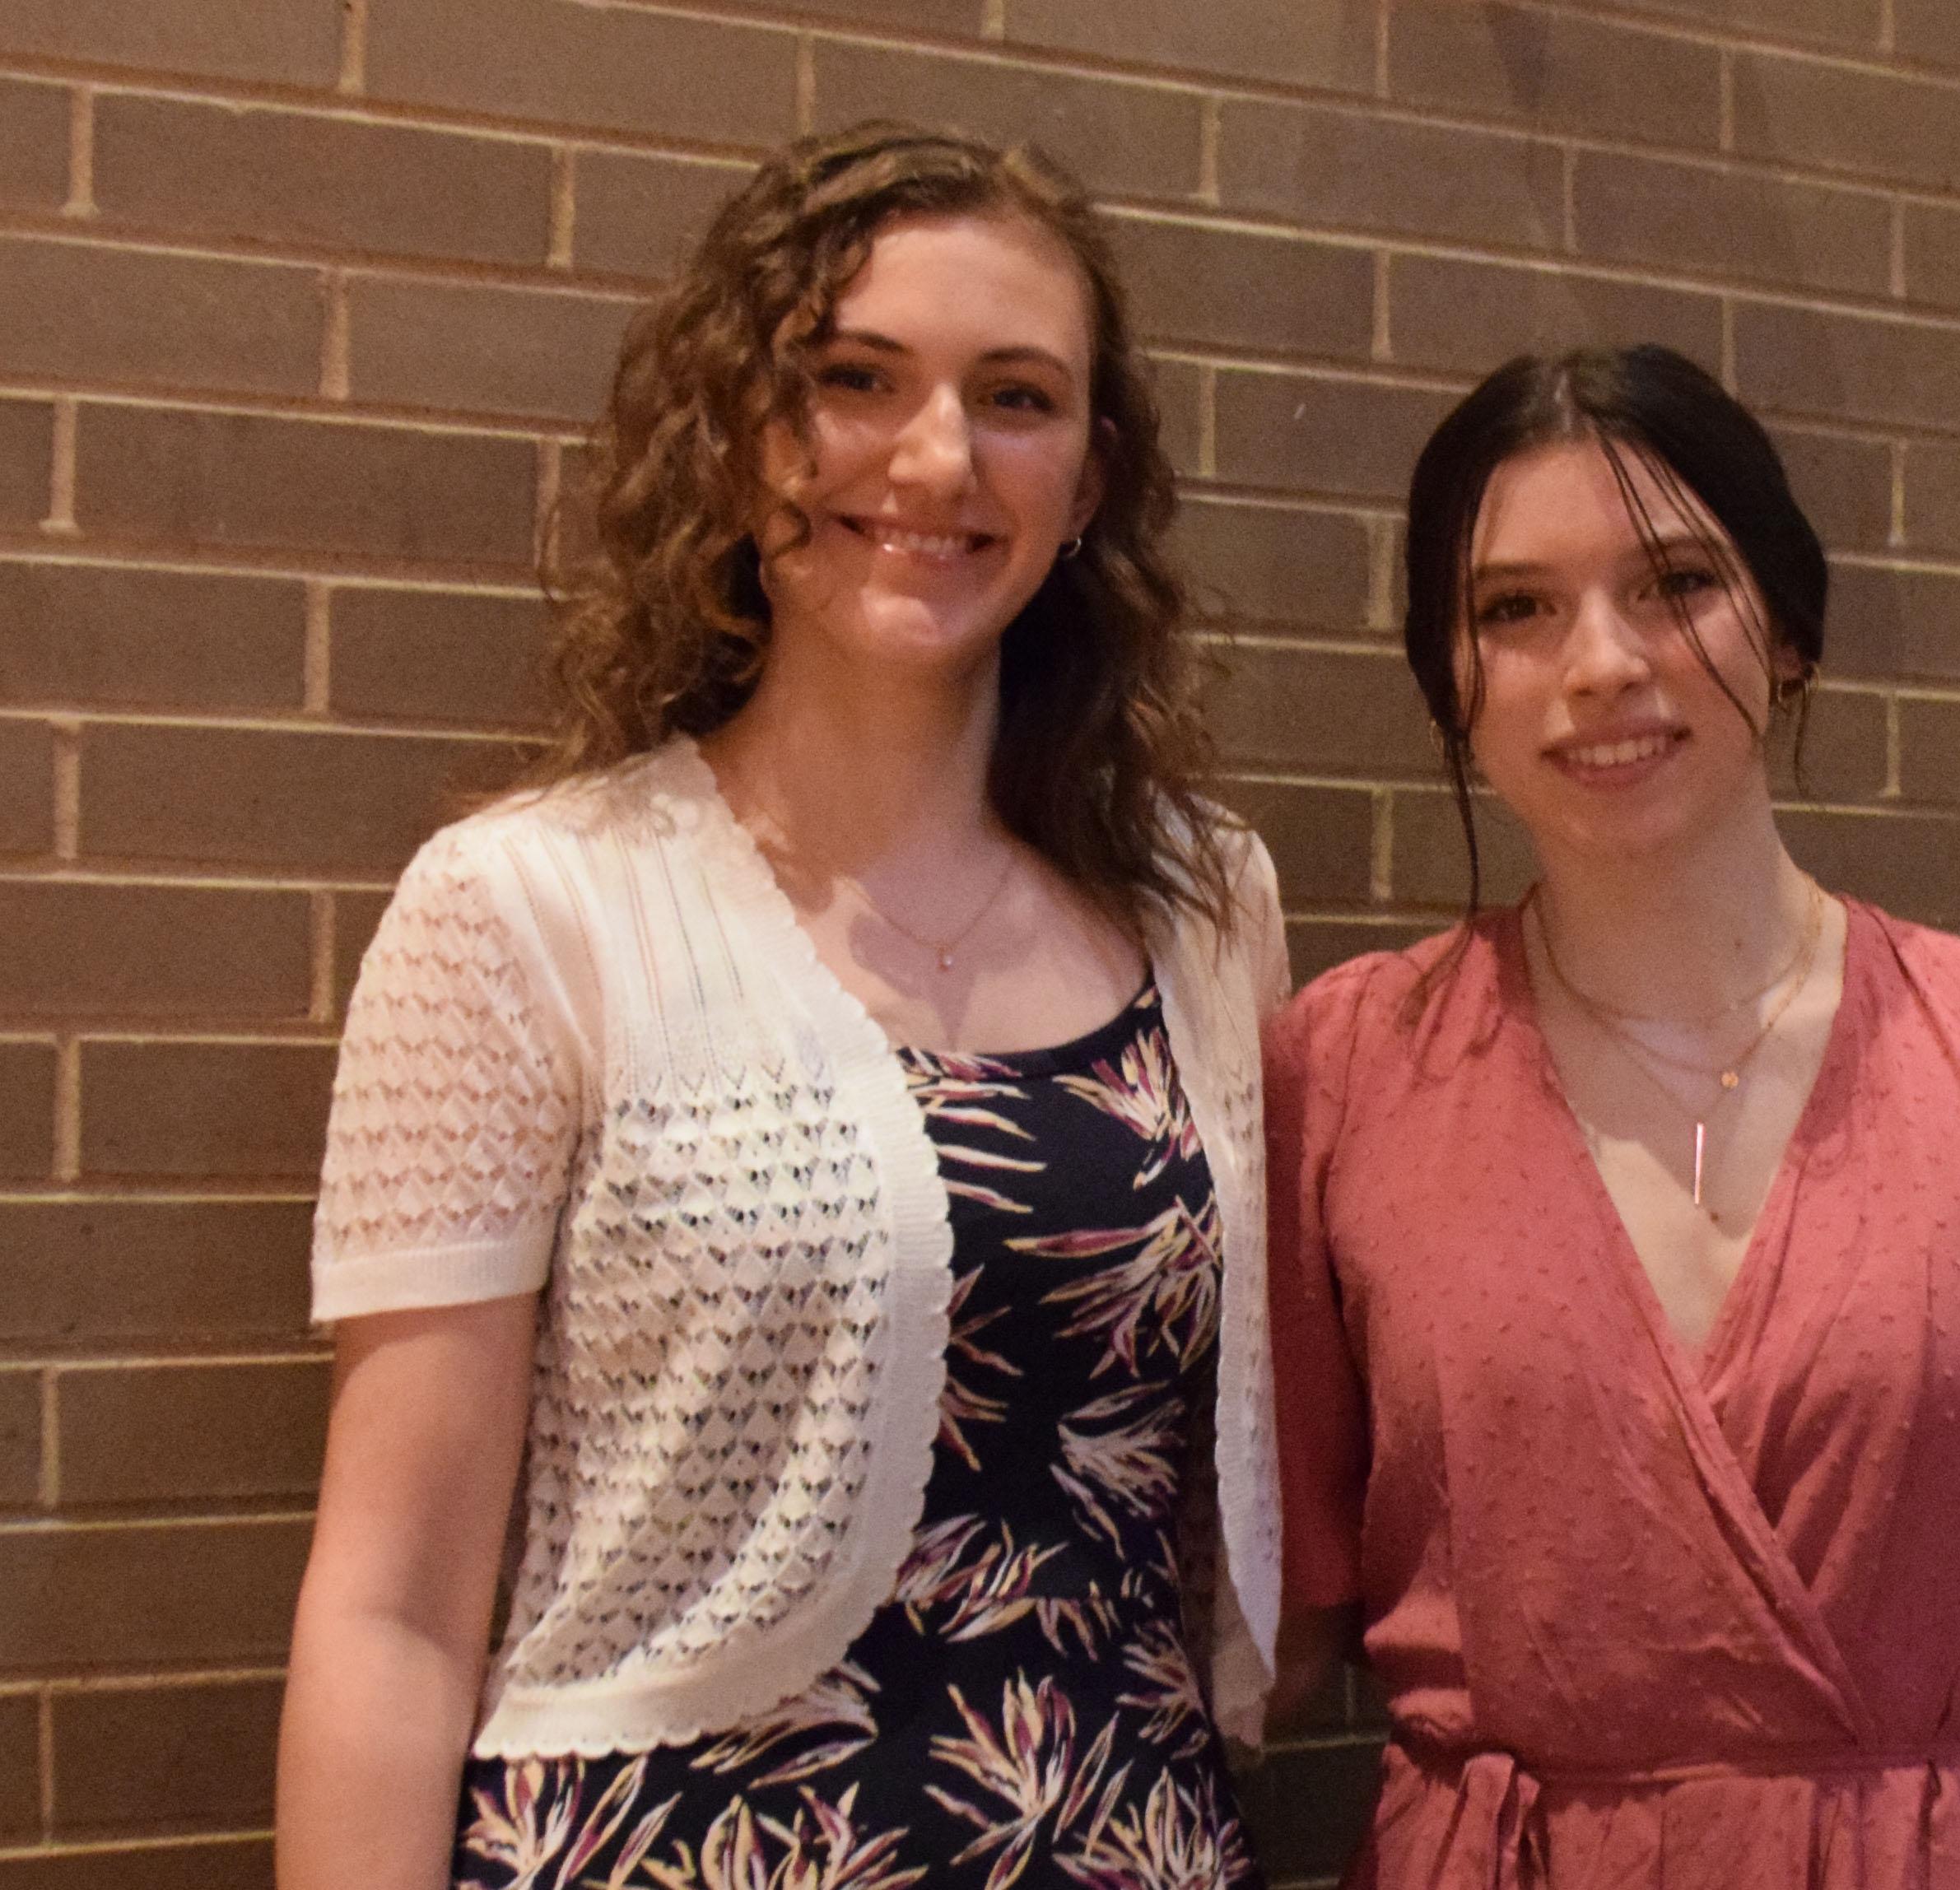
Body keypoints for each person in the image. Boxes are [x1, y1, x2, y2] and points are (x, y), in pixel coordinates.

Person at [275, 124, 1287, 1890]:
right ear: (740, 430)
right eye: (854, 378)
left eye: (1016, 397)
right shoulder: (531, 907)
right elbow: (393, 1611)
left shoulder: (1205, 906)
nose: (936, 455)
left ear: (1090, 480)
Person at [1264, 345, 1960, 1890]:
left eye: (1676, 584)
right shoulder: (1350, 1067)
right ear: (1451, 679)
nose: (1600, 662)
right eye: (1515, 609)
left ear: (1791, 629)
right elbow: (1264, 1626)